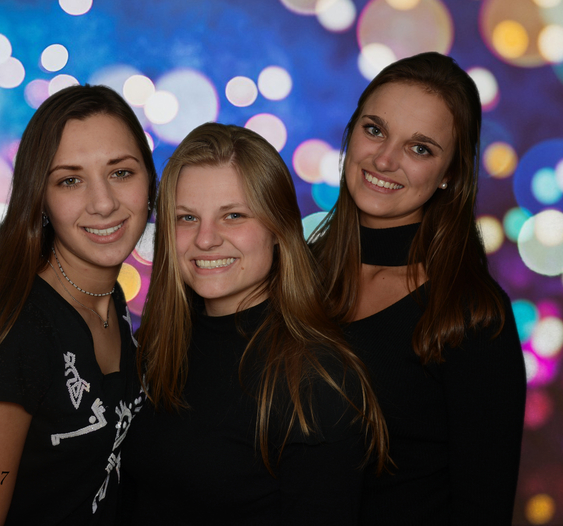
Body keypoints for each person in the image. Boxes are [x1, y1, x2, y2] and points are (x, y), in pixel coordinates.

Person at [122, 123, 388, 524]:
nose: (206, 239)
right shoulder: (155, 346)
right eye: (187, 217)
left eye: (233, 215)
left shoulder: (315, 383)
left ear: (278, 228)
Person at [0, 84, 157, 525]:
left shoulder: (109, 301)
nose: (103, 203)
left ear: (150, 181)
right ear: (41, 198)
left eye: (122, 172)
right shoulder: (14, 334)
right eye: (70, 180)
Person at [309, 52, 527, 524]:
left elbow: (483, 509)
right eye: (374, 130)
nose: (385, 159)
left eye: (420, 148)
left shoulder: (471, 314)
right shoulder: (294, 276)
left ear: (450, 174)